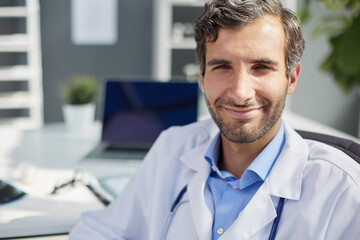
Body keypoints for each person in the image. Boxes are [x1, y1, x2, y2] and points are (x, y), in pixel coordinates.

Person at [70, 0, 360, 239]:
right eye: (222, 66)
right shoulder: (173, 147)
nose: (240, 92)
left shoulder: (342, 191)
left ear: (291, 77)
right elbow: (100, 231)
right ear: (202, 78)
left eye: (261, 67)